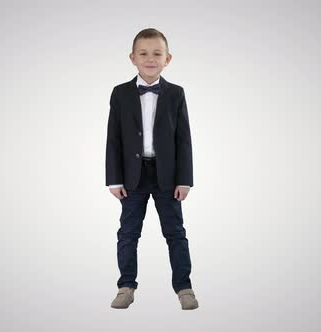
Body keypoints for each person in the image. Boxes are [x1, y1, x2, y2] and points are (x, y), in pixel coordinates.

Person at [105, 28, 198, 310]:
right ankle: (126, 286)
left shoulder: (176, 93)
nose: (150, 59)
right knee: (128, 233)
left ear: (167, 58)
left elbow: (184, 139)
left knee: (175, 233)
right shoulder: (120, 93)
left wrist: (185, 180)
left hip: (167, 177)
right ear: (132, 58)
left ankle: (184, 287)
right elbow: (113, 138)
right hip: (131, 177)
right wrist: (113, 179)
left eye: (157, 53)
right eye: (143, 53)